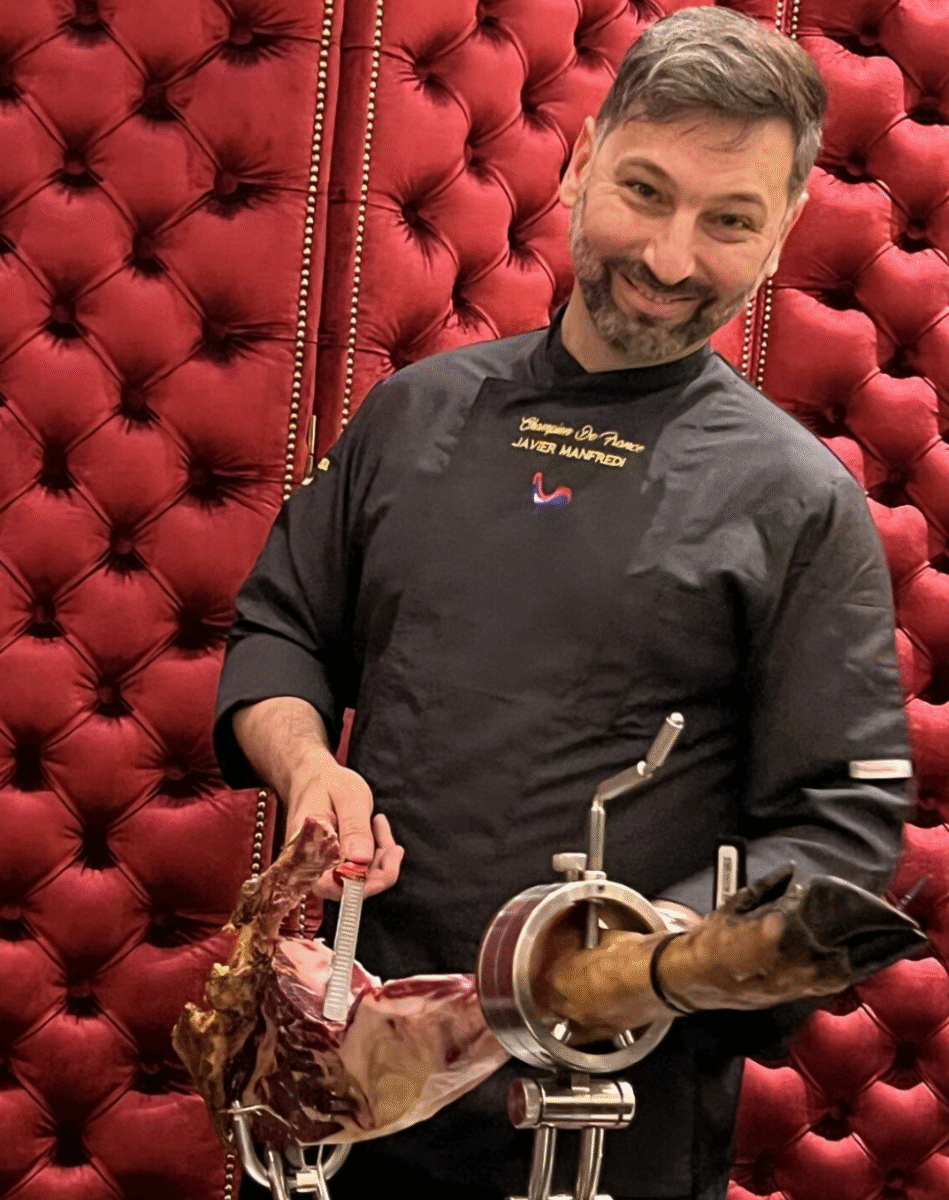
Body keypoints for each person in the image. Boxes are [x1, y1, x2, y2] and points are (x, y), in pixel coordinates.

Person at [215, 9, 911, 1200]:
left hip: (603, 1108)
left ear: (784, 227)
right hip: (356, 1083)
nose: (673, 259)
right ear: (583, 159)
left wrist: (617, 970)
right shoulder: (413, 414)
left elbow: (839, 832)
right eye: (646, 191)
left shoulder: (798, 501)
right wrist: (306, 767)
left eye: (729, 220)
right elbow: (279, 630)